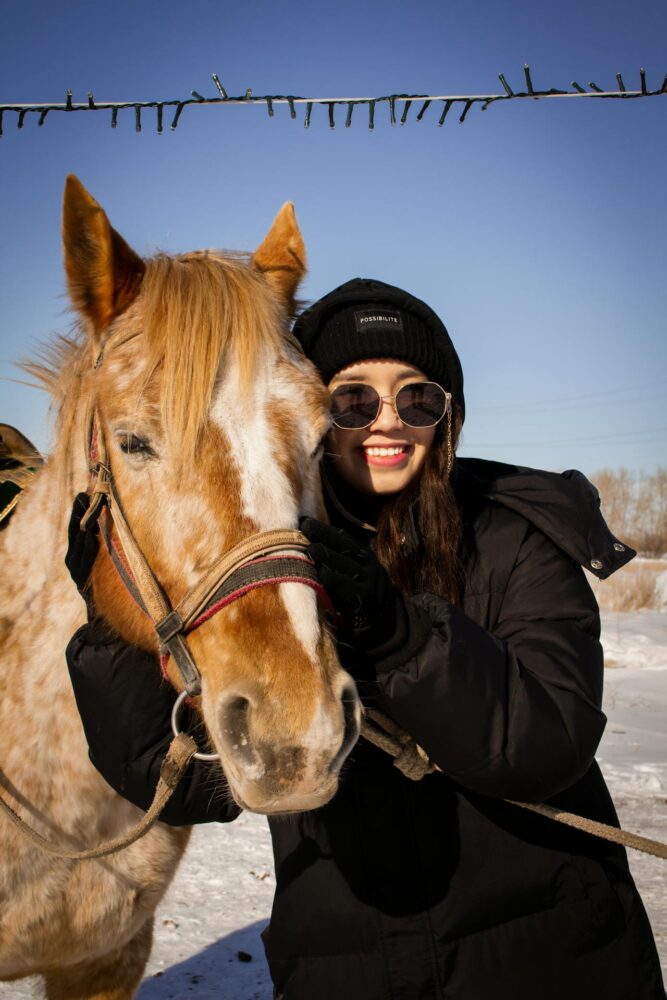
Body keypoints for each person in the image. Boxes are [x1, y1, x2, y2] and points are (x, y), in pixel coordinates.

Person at [65, 278, 664, 1000]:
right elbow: (182, 782)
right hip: (346, 969)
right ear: (312, 418)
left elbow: (546, 745)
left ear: (447, 417)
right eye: (353, 400)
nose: (388, 422)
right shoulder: (274, 576)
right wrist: (105, 623)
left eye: (418, 398)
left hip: (547, 959)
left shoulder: (514, 540)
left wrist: (403, 639)